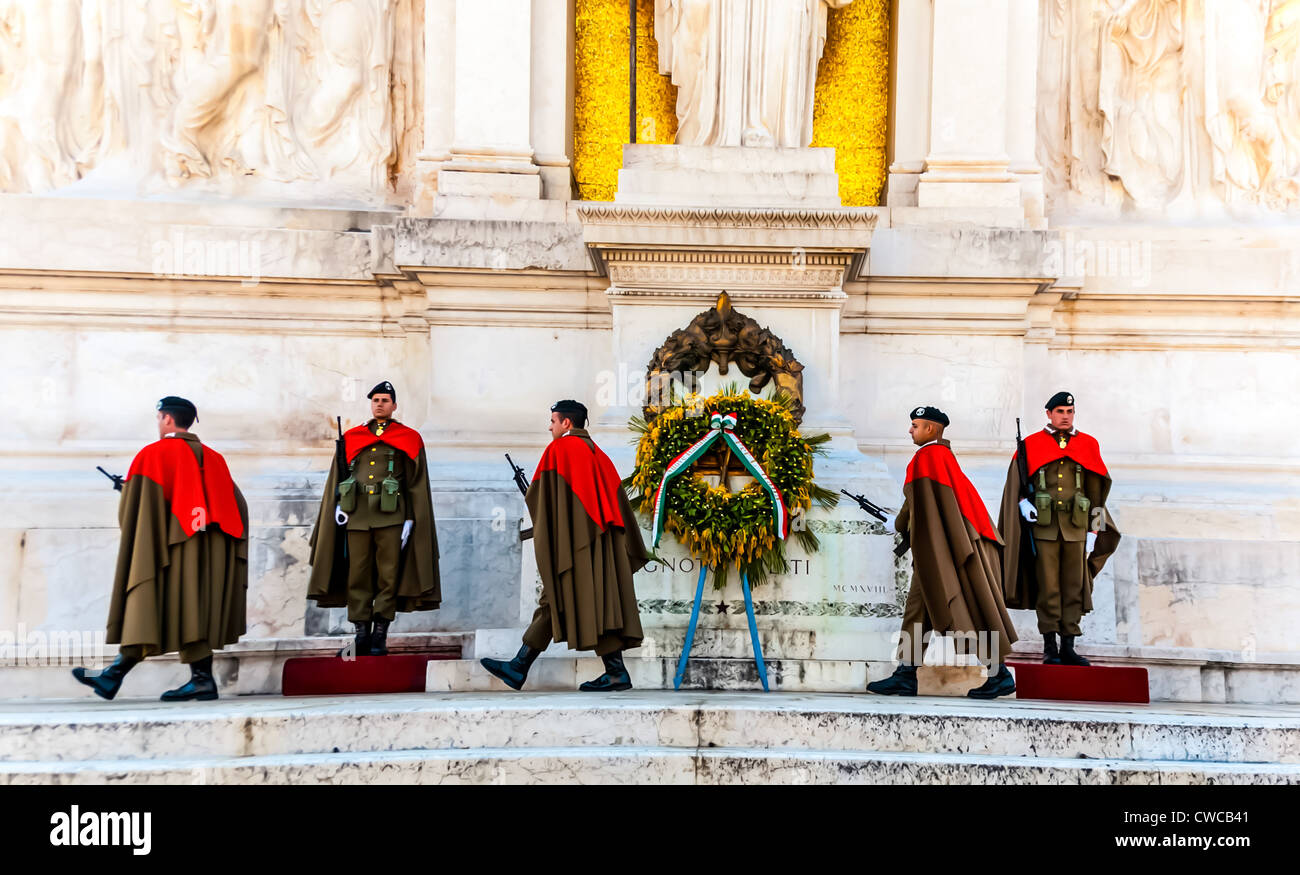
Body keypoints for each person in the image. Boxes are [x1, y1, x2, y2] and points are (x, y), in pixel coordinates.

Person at [72, 397, 248, 701]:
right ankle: (196, 680)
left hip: (173, 547)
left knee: (150, 601)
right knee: (192, 610)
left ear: (167, 419)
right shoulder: (215, 458)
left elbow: (140, 507)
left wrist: (127, 491)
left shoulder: (153, 454)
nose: (158, 423)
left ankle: (114, 677)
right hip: (211, 549)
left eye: (158, 418)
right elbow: (236, 505)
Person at [480, 400, 648, 692]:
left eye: (553, 421)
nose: (550, 427)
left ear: (566, 423)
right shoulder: (601, 456)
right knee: (588, 602)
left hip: (577, 547)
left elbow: (541, 499)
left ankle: (520, 667)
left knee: (557, 597)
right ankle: (610, 671)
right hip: (602, 548)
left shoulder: (559, 450)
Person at [868, 406, 1018, 699]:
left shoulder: (927, 457)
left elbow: (916, 503)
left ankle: (998, 673)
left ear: (932, 430)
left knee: (972, 608)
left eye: (915, 425)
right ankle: (907, 674)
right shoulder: (942, 457)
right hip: (948, 549)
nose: (910, 431)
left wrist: (896, 524)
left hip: (951, 552)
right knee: (917, 611)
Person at [307, 381, 441, 656]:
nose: (379, 404)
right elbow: (340, 475)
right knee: (358, 575)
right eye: (375, 400)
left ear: (394, 405)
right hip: (357, 515)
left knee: (388, 576)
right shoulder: (353, 436)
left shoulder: (409, 437)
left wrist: (411, 519)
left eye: (384, 400)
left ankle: (380, 634)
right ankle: (361, 635)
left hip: (392, 516)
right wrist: (338, 507)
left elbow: (415, 482)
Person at [998, 391, 1121, 666]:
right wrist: (1021, 504)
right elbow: (1016, 484)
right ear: (1049, 414)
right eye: (1060, 412)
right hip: (1044, 528)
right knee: (1049, 587)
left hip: (1077, 528)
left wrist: (1094, 531)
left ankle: (1069, 646)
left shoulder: (1087, 444)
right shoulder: (1031, 445)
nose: (1065, 416)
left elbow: (1098, 493)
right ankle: (1050, 647)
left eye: (1069, 411)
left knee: (1074, 587)